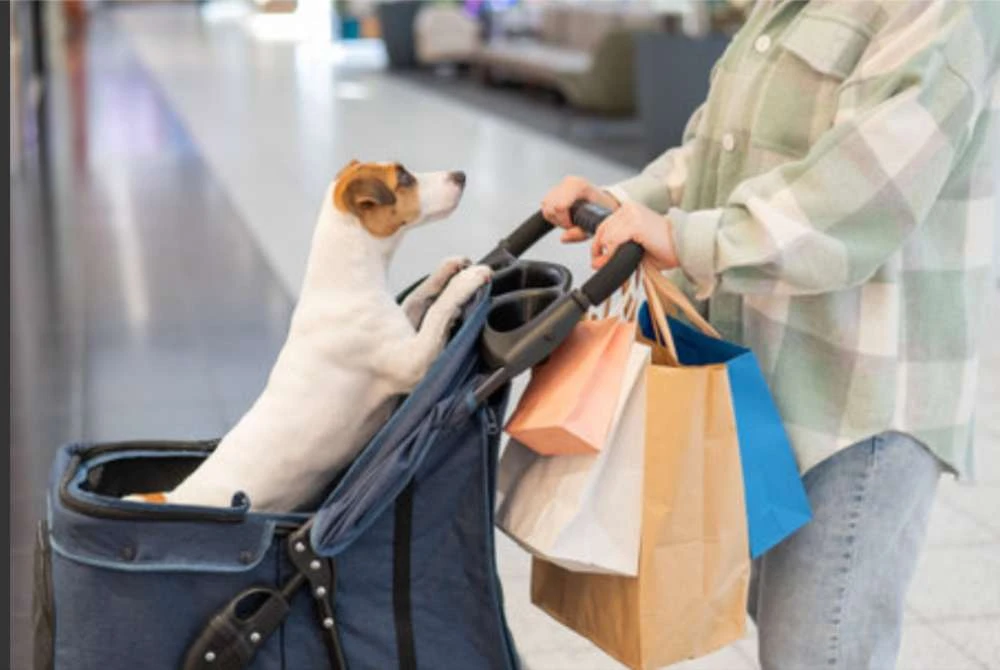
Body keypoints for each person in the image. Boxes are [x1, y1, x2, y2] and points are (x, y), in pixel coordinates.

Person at [541, 1, 999, 668]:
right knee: (786, 631)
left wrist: (685, 237)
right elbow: (717, 153)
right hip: (767, 376)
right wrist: (630, 204)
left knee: (820, 649)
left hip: (860, 404)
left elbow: (861, 193)